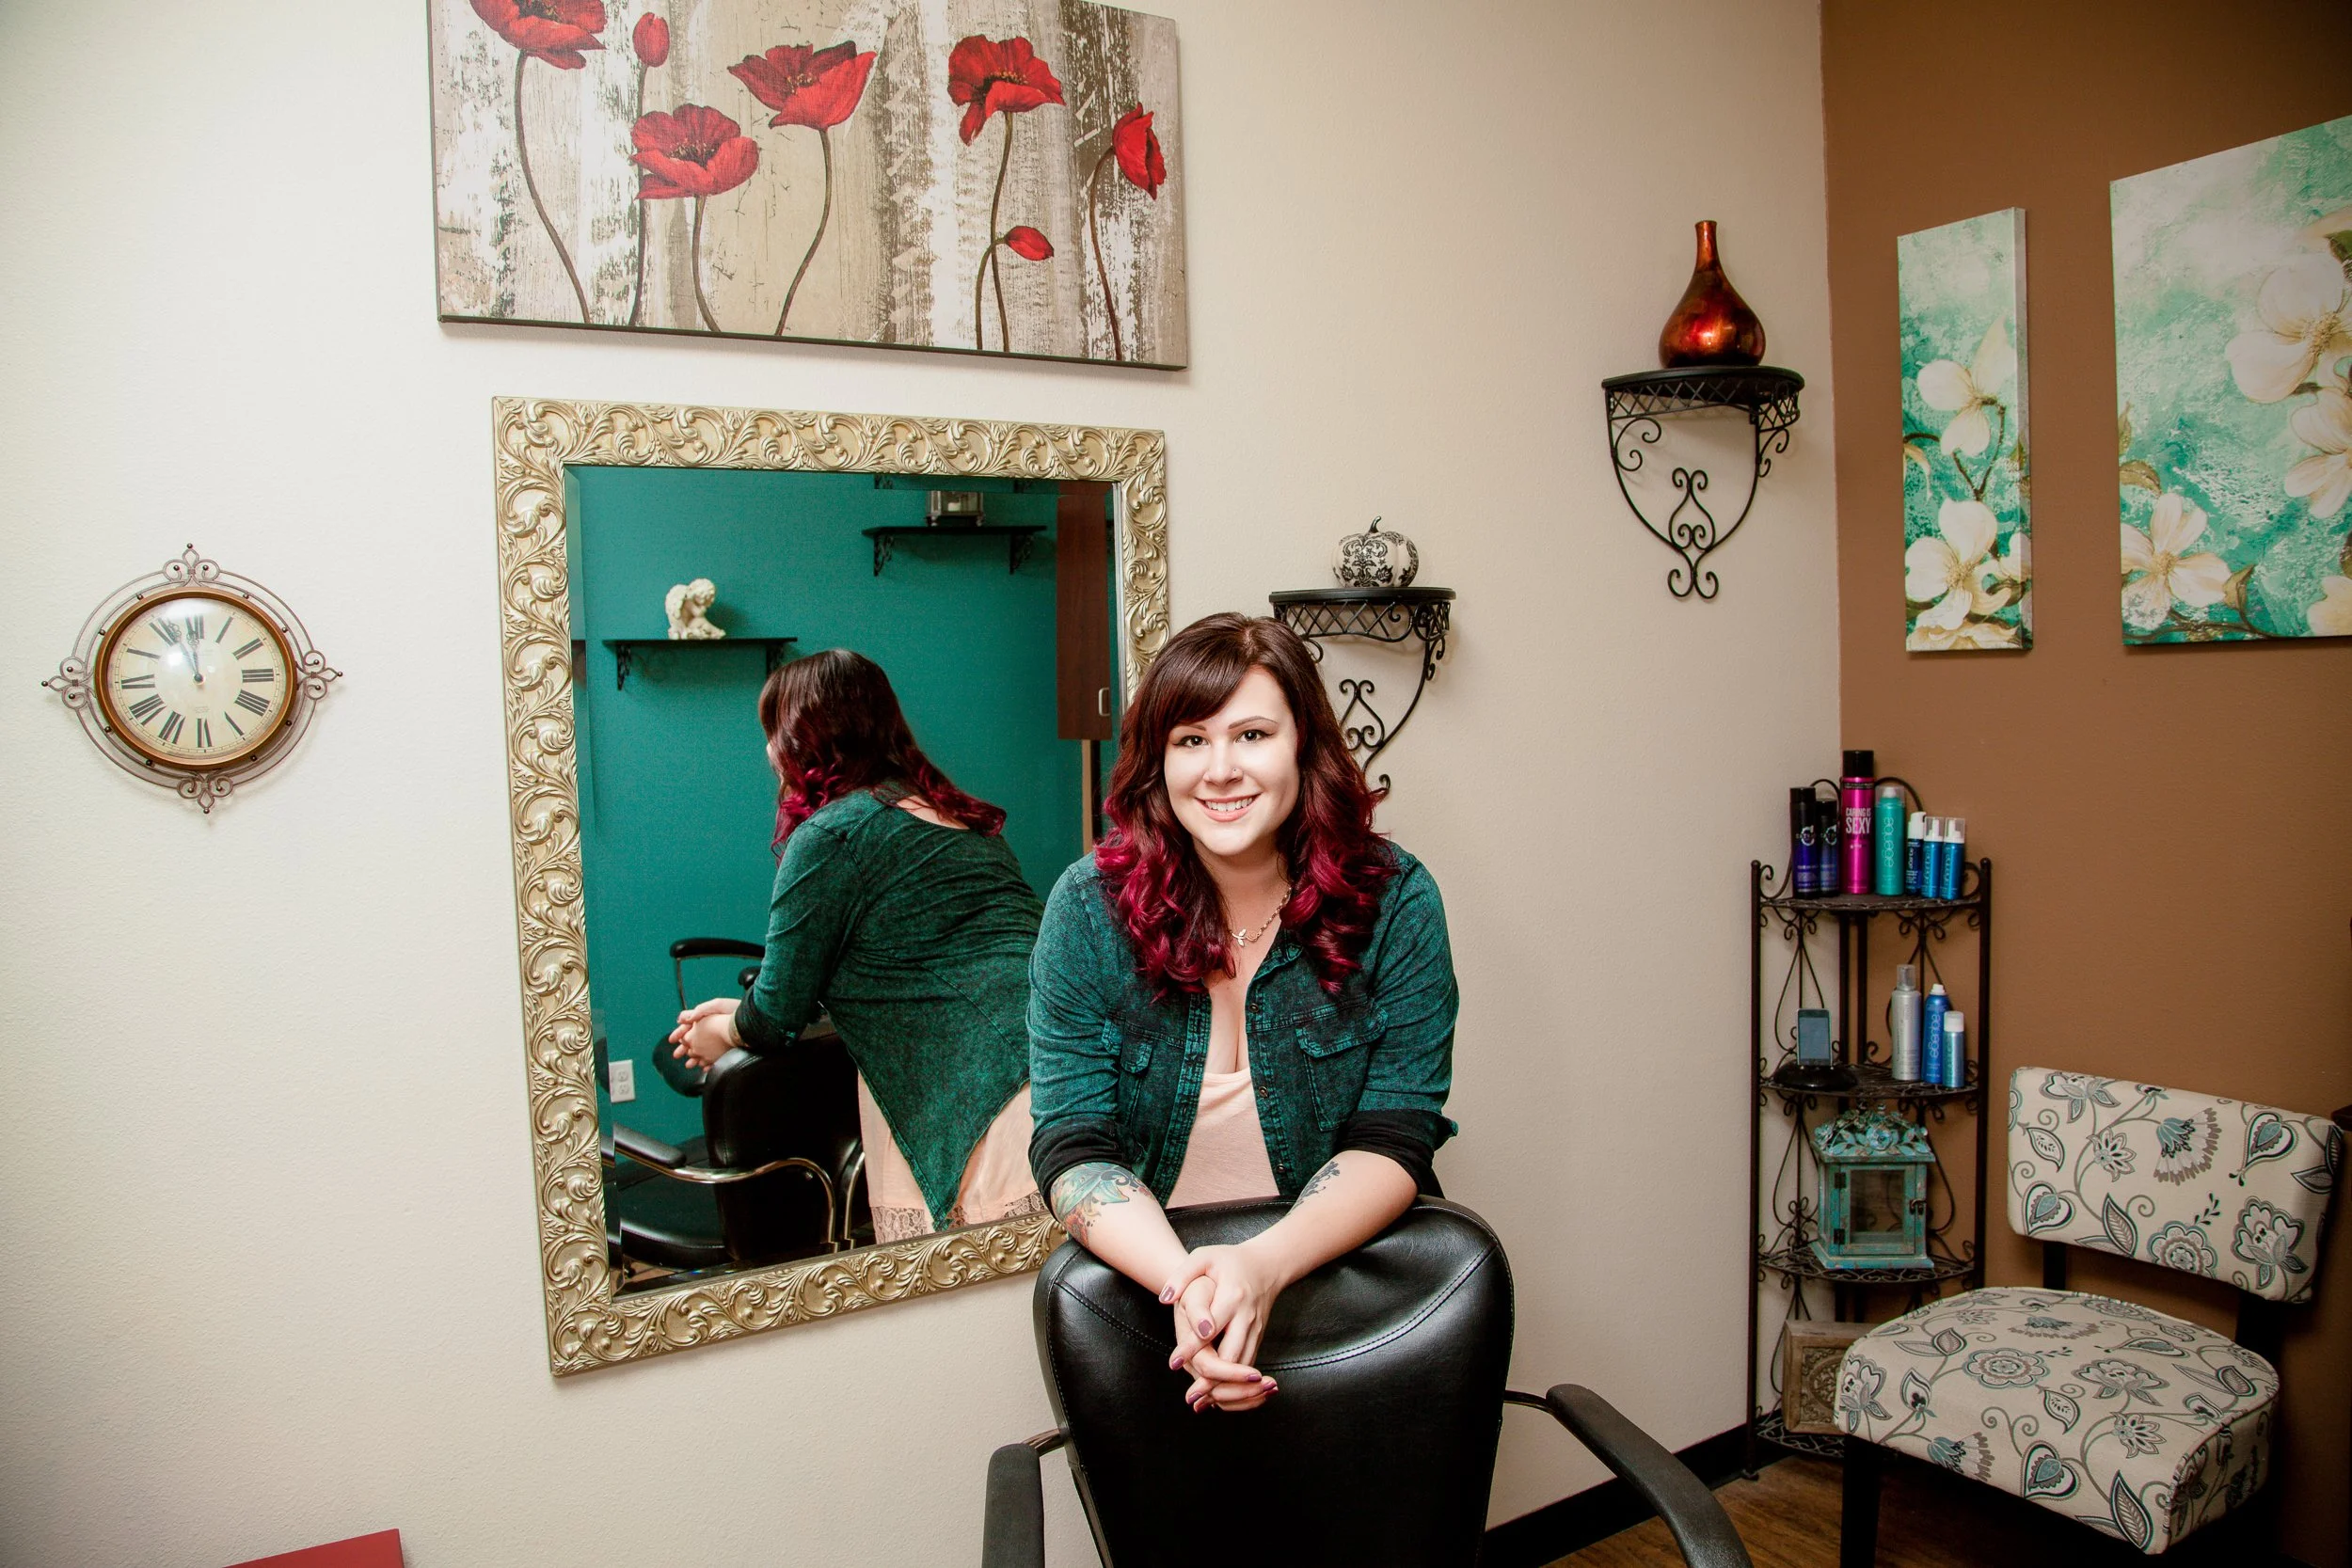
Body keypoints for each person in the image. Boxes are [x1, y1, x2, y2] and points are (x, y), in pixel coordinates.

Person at [1027, 612, 1459, 1415]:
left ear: (1304, 745)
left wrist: (1260, 1267)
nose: (1220, 769)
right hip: (1156, 1320)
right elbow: (1071, 1144)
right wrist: (1190, 1290)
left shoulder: (1396, 900)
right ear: (1158, 762)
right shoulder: (1086, 910)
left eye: (1252, 733)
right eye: (1191, 739)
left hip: (1351, 1311)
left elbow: (1397, 1134)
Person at [670, 649, 1044, 1243]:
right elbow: (893, 967)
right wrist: (733, 1014)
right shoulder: (962, 823)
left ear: (803, 738)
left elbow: (776, 1016)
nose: (769, 752)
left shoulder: (833, 834)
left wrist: (725, 1031)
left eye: (774, 731)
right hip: (1065, 1072)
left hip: (990, 1109)